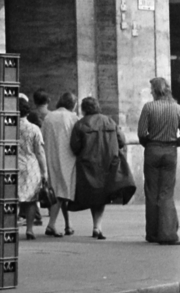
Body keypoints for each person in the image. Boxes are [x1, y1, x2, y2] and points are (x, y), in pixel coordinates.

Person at [68, 96, 133, 240]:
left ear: (83, 109)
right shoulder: (109, 121)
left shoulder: (80, 124)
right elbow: (121, 140)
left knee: (94, 194)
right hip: (107, 162)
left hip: (88, 164)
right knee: (102, 195)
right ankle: (97, 226)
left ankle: (97, 226)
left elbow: (74, 146)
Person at [136, 76, 180, 245]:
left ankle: (153, 233)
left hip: (152, 150)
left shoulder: (149, 107)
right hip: (170, 151)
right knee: (166, 192)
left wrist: (148, 144)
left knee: (152, 191)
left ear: (154, 91)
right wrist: (176, 143)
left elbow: (141, 133)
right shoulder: (177, 108)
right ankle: (167, 233)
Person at [41, 91, 77, 237]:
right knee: (63, 192)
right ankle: (51, 224)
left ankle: (68, 224)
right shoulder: (73, 118)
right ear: (73, 105)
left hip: (50, 155)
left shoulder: (49, 116)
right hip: (67, 157)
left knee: (58, 190)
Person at [15, 95, 46, 241]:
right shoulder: (34, 129)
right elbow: (39, 151)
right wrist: (44, 171)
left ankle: (11, 227)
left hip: (12, 165)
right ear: (27, 112)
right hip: (30, 166)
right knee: (32, 199)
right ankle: (29, 229)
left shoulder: (6, 127)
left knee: (13, 198)